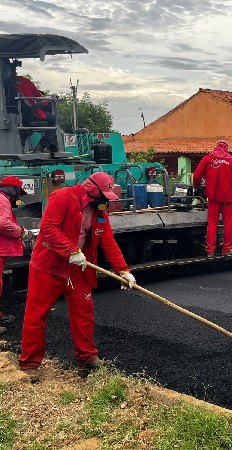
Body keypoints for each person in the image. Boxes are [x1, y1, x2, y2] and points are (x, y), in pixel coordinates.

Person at [18, 172, 136, 383]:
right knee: (36, 315)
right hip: (49, 266)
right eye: (104, 195)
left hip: (77, 269)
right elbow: (48, 229)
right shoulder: (63, 197)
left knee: (84, 312)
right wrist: (71, 250)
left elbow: (108, 241)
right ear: (92, 189)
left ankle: (87, 356)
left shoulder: (99, 211)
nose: (106, 200)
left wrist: (123, 270)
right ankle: (30, 364)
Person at [193, 140, 232, 257]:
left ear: (216, 147)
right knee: (228, 223)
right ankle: (226, 249)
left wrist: (196, 186)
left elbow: (196, 176)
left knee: (212, 223)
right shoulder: (231, 161)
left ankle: (210, 250)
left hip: (213, 197)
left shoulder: (207, 159)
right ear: (226, 148)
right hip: (228, 198)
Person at [0, 176, 32, 333]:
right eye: (19, 193)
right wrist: (21, 231)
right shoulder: (2, 200)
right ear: (13, 190)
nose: (18, 197)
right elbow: (2, 223)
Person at [15, 75, 58, 152]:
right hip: (29, 115)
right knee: (53, 120)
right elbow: (39, 97)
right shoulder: (25, 81)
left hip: (12, 117)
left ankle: (22, 145)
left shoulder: (5, 84)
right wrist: (47, 100)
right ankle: (42, 145)